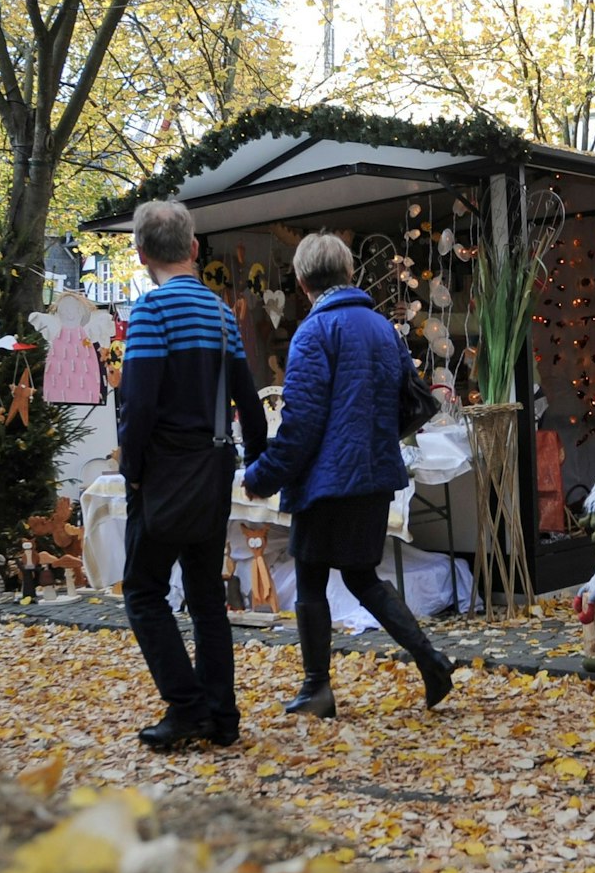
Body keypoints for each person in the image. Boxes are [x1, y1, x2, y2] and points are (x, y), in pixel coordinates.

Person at [242, 231, 453, 718]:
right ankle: (430, 660)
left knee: (313, 582)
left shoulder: (314, 334)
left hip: (327, 483)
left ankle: (318, 687)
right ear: (350, 273)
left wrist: (263, 475)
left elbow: (301, 424)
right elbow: (413, 400)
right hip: (374, 476)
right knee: (362, 577)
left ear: (300, 282)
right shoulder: (382, 329)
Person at [117, 200, 268, 751]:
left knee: (143, 591)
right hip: (211, 468)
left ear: (140, 256)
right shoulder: (222, 314)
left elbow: (138, 405)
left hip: (163, 471)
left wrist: (131, 473)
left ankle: (186, 707)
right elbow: (249, 403)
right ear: (195, 249)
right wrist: (258, 464)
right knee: (206, 597)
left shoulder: (150, 314)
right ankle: (222, 717)